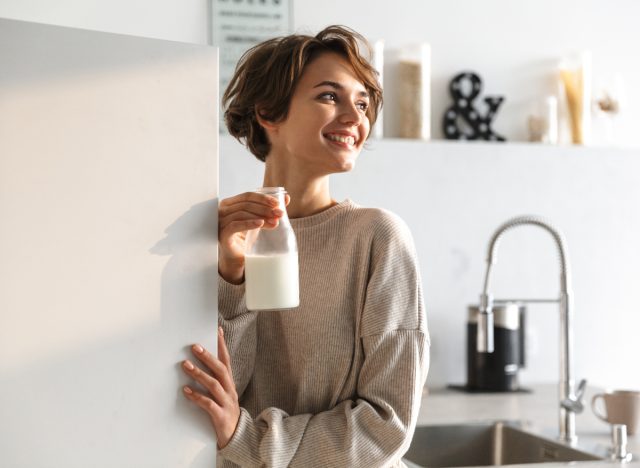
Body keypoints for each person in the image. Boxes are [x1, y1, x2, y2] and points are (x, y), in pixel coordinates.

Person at [181, 25, 429, 467]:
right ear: (268, 113)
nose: (356, 119)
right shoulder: (217, 237)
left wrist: (246, 439)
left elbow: (386, 425)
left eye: (363, 102)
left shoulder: (377, 237)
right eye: (330, 96)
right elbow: (211, 398)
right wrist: (231, 275)